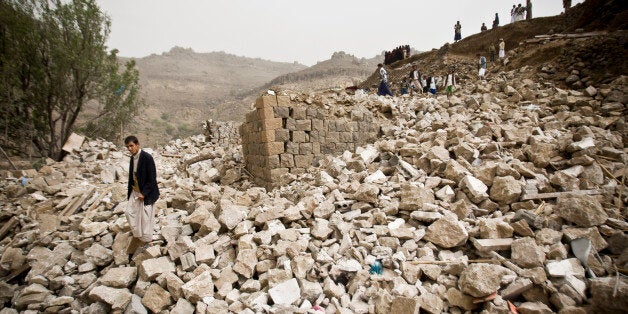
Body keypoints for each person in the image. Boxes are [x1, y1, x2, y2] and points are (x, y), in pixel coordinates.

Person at [125, 135, 160, 250]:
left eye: (131, 146)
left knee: (146, 217)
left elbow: (152, 178)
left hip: (147, 192)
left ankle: (148, 240)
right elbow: (132, 176)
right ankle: (139, 235)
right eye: (127, 147)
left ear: (137, 144)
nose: (130, 149)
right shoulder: (132, 158)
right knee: (129, 212)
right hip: (136, 190)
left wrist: (144, 193)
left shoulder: (147, 157)